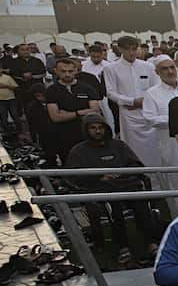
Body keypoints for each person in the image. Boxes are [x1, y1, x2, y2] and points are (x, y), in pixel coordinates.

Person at [66, 113, 160, 266]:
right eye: (93, 128)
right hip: (103, 191)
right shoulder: (79, 151)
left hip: (129, 186)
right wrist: (98, 178)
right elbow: (73, 176)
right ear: (86, 130)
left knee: (142, 205)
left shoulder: (119, 146)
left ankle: (151, 244)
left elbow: (136, 165)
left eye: (100, 127)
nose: (97, 131)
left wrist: (121, 173)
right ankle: (123, 247)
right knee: (114, 209)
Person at [143, 53, 178, 206]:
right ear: (157, 72)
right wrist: (176, 120)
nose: (170, 71)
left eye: (172, 67)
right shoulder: (152, 93)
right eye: (165, 69)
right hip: (170, 144)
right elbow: (151, 119)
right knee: (177, 182)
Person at [45, 58, 105, 162]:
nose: (67, 74)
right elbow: (56, 117)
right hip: (64, 136)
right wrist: (83, 112)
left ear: (76, 71)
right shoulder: (51, 91)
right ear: (56, 71)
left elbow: (96, 111)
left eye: (70, 71)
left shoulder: (87, 88)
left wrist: (69, 114)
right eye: (63, 71)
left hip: (87, 135)